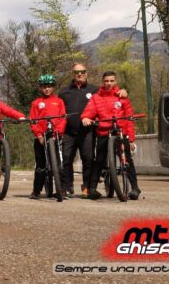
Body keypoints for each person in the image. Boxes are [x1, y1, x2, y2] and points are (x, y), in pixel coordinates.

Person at [58, 63, 128, 197]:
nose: (80, 74)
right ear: (73, 74)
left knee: (89, 159)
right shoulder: (63, 92)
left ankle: (86, 186)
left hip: (87, 132)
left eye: (82, 71)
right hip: (69, 132)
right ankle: (67, 186)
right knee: (66, 159)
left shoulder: (95, 90)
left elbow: (111, 92)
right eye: (77, 72)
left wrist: (124, 91)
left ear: (86, 73)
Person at [81, 72, 140, 200]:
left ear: (115, 81)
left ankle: (135, 188)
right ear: (103, 82)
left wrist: (131, 139)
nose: (109, 83)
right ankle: (92, 188)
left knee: (127, 160)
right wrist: (85, 117)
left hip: (120, 132)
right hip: (103, 132)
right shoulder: (96, 97)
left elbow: (129, 119)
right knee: (99, 159)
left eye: (111, 81)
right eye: (106, 81)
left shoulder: (122, 96)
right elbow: (89, 111)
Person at [29, 74, 66, 199]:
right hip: (41, 136)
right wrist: (39, 135)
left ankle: (62, 189)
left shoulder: (59, 101)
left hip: (55, 135)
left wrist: (58, 133)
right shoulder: (36, 103)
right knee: (40, 164)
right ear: (40, 88)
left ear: (53, 87)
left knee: (59, 163)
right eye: (44, 86)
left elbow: (63, 118)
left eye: (49, 86)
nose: (46, 89)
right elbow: (33, 121)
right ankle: (36, 191)